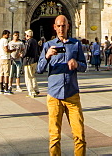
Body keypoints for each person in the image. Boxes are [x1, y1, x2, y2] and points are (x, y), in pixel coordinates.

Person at [37, 15, 87, 156]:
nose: (61, 29)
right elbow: (39, 69)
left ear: (68, 26)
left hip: (72, 95)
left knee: (79, 135)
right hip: (54, 95)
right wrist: (47, 56)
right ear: (54, 27)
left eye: (63, 26)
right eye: (58, 26)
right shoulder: (48, 45)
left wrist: (77, 64)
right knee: (54, 136)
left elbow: (84, 66)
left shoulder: (76, 44)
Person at [23, 29, 40, 97]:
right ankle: (36, 89)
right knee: (33, 76)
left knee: (28, 77)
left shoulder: (28, 42)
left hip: (28, 61)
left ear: (27, 35)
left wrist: (22, 55)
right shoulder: (35, 41)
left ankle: (31, 91)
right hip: (34, 61)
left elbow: (26, 51)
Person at [0, 30, 14, 94]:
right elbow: (6, 49)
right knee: (6, 74)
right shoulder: (5, 40)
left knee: (1, 73)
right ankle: (6, 89)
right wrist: (12, 50)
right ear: (4, 34)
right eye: (8, 35)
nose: (8, 36)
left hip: (1, 58)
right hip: (6, 58)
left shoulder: (0, 40)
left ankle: (1, 89)